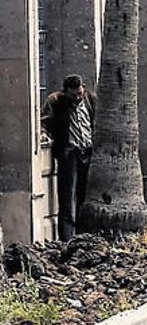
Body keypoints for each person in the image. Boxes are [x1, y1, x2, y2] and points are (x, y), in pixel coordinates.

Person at [40, 75, 96, 242]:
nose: (77, 98)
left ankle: (83, 235)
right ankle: (67, 238)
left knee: (84, 196)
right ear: (66, 92)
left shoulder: (90, 99)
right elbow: (44, 121)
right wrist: (44, 134)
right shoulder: (56, 101)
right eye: (74, 95)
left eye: (79, 93)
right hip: (69, 153)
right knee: (67, 197)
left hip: (87, 151)